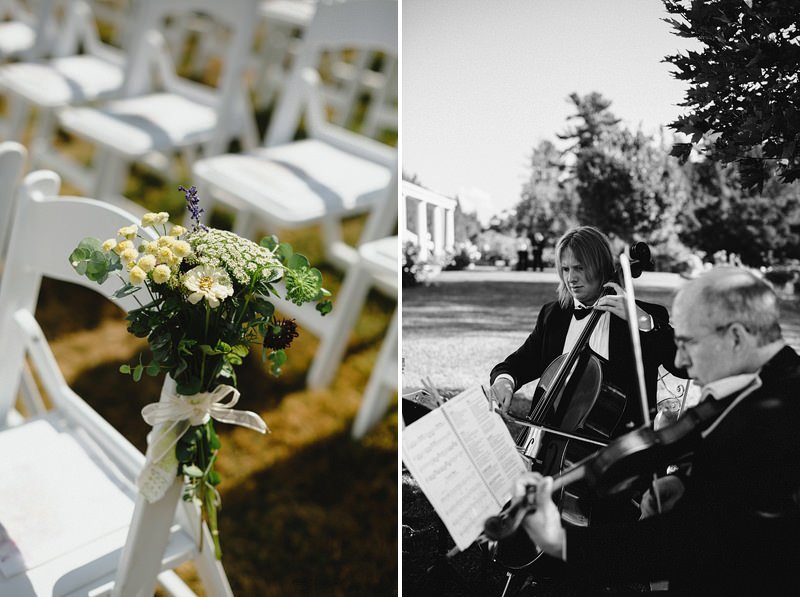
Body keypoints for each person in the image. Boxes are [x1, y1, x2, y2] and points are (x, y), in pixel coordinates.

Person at [514, 266, 800, 596]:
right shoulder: (780, 374)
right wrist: (683, 483)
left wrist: (560, 542)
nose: (680, 360)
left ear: (736, 337)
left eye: (687, 343)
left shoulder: (763, 425)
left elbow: (676, 543)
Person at [490, 226, 685, 437]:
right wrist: (505, 382)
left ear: (601, 267)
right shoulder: (553, 314)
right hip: (547, 444)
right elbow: (519, 363)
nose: (571, 278)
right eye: (565, 269)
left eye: (580, 268)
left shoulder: (643, 317)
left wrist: (641, 319)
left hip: (618, 451)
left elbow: (683, 364)